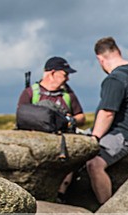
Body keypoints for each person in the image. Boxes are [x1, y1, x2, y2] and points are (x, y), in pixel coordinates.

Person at [86, 36, 128, 205]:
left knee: (94, 164)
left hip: (121, 135)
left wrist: (94, 138)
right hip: (127, 133)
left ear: (100, 59)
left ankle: (108, 211)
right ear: (118, 51)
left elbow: (107, 112)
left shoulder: (114, 79)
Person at [17, 56, 86, 201]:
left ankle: (60, 195)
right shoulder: (31, 93)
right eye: (65, 74)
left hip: (63, 140)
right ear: (52, 73)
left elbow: (81, 117)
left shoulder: (67, 94)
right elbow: (21, 116)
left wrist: (70, 120)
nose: (68, 79)